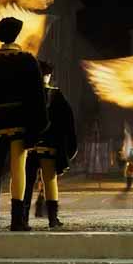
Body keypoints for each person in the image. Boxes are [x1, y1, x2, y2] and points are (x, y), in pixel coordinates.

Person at [0, 17, 48, 231]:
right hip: (22, 121)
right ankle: (17, 220)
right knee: (18, 169)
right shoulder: (27, 60)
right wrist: (37, 124)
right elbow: (37, 97)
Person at [22, 60, 77, 228]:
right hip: (49, 147)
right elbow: (67, 123)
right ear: (47, 76)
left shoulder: (26, 96)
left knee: (26, 183)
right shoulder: (56, 95)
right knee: (49, 181)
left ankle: (22, 218)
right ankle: (53, 219)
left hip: (28, 149)